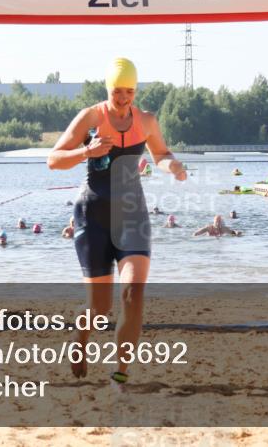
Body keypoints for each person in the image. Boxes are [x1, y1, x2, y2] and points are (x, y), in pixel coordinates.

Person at [48, 57, 186, 385]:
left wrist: (174, 167)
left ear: (135, 90)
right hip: (92, 215)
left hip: (131, 214)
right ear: (107, 89)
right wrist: (87, 152)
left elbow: (161, 155)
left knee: (133, 292)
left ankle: (121, 372)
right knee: (99, 310)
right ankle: (80, 342)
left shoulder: (147, 121)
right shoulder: (90, 117)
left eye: (129, 91)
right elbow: (53, 160)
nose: (123, 98)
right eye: (116, 91)